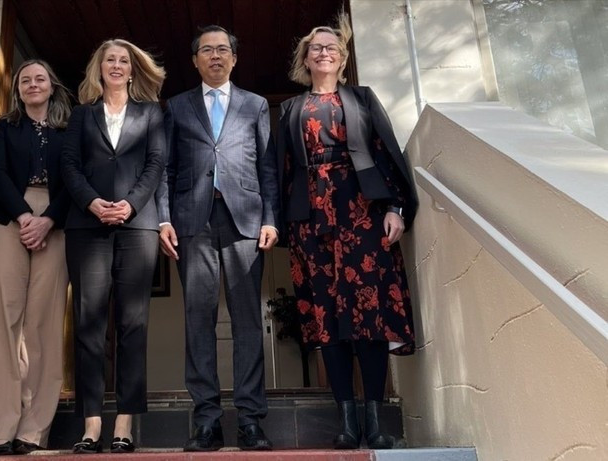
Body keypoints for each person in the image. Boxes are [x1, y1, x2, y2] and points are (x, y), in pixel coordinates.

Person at [276, 17, 418, 450]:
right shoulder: (290, 108)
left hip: (362, 214)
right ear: (306, 58)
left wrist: (395, 207)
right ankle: (346, 421)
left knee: (368, 314)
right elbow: (279, 169)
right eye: (315, 48)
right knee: (326, 318)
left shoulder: (361, 98)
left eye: (331, 47)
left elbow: (387, 152)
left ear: (341, 57)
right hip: (311, 220)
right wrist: (281, 220)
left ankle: (373, 422)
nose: (324, 52)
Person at [156, 25, 279, 452]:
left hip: (245, 221)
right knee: (198, 321)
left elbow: (267, 168)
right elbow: (166, 170)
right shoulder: (175, 106)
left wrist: (271, 218)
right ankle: (206, 420)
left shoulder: (256, 105)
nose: (215, 56)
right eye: (206, 50)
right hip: (193, 222)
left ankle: (250, 420)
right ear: (194, 60)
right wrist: (164, 219)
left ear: (234, 58)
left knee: (247, 322)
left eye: (222, 49)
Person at [61, 39, 166, 454]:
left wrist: (130, 204)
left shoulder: (151, 113)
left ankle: (123, 423)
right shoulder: (80, 114)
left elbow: (157, 163)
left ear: (133, 68)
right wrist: (92, 202)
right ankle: (90, 425)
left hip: (138, 227)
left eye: (124, 60)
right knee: (88, 324)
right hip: (86, 228)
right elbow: (68, 164)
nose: (117, 66)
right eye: (110, 60)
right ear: (99, 68)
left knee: (133, 324)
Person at [0, 59, 72, 455]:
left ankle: (32, 429)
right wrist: (25, 216)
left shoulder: (72, 129)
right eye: (24, 80)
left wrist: (48, 220)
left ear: (52, 85)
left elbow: (80, 178)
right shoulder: (1, 128)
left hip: (57, 221)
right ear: (17, 90)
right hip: (7, 218)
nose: (32, 84)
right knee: (0, 320)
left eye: (39, 78)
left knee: (44, 323)